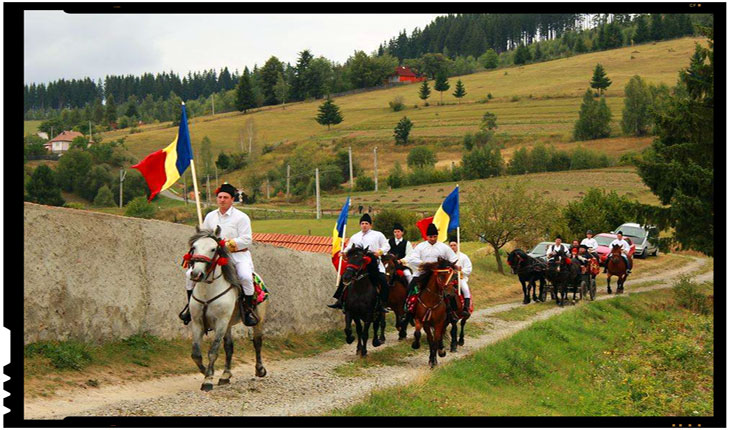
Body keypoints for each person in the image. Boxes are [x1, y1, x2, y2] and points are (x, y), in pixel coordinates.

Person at [179, 183, 258, 327]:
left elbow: (247, 239)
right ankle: (189, 307)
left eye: (225, 197)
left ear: (232, 199)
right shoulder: (210, 216)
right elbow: (204, 236)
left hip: (237, 256)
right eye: (220, 197)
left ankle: (248, 310)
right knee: (189, 274)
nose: (222, 200)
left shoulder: (242, 217)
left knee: (245, 277)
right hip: (214, 257)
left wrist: (226, 244)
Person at [327, 213, 391, 313]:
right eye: (362, 223)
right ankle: (339, 300)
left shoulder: (378, 235)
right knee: (345, 276)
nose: (364, 225)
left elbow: (387, 246)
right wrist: (343, 252)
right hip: (358, 263)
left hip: (372, 262)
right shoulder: (355, 237)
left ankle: (382, 303)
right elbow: (348, 247)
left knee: (382, 280)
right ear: (360, 225)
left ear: (370, 225)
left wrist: (379, 252)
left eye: (366, 223)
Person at [400, 223, 460, 323]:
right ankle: (407, 313)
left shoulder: (443, 247)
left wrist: (454, 265)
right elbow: (413, 259)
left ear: (437, 236)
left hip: (439, 275)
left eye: (435, 236)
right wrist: (426, 265)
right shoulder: (420, 247)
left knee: (450, 291)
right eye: (430, 236)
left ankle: (452, 313)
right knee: (410, 289)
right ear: (427, 236)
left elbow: (453, 259)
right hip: (423, 274)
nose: (432, 238)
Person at [449, 239, 472, 318]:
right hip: (449, 278)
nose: (452, 247)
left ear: (457, 246)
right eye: (451, 245)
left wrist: (460, 271)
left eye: (454, 245)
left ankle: (466, 308)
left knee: (465, 289)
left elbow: (468, 269)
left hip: (460, 277)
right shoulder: (447, 257)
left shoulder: (463, 257)